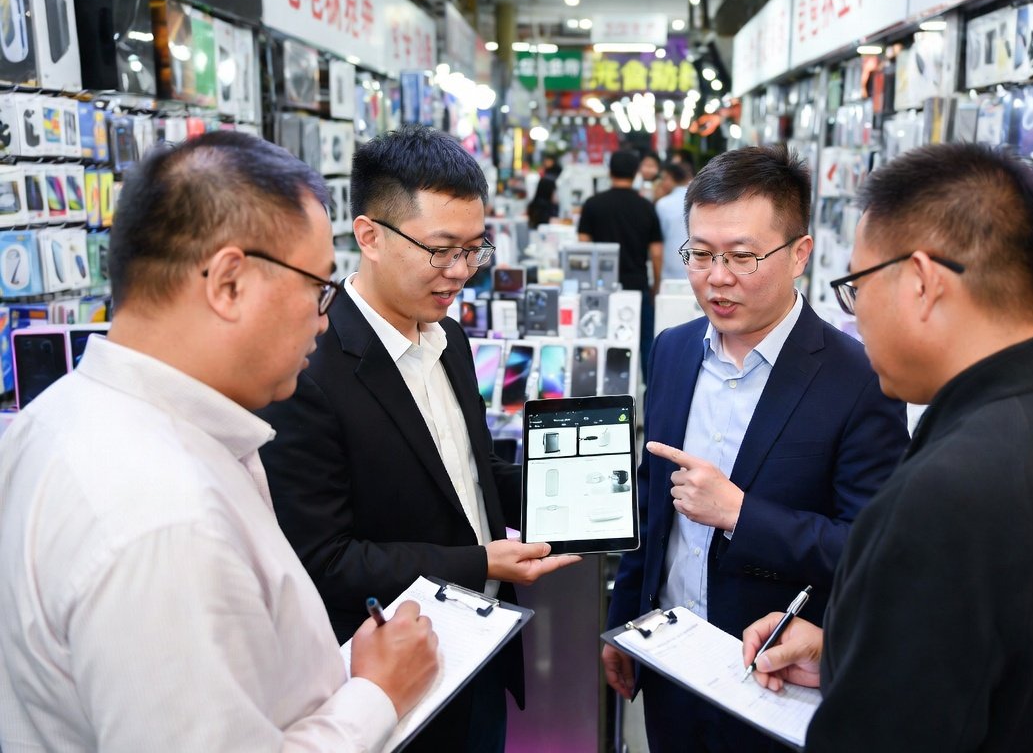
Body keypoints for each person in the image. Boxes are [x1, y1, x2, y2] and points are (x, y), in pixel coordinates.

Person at [0, 131, 439, 751]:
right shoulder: (163, 518)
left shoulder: (59, 417)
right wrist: (376, 695)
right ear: (229, 283)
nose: (323, 319)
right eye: (317, 288)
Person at [743, 143, 1033, 750]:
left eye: (857, 288)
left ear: (921, 282)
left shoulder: (939, 498)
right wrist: (848, 653)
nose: (855, 317)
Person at [257, 126, 579, 753]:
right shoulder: (311, 369)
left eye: (473, 250)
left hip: (481, 650)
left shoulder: (449, 339)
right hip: (384, 678)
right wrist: (480, 562)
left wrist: (586, 481)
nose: (459, 272)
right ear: (369, 236)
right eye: (440, 250)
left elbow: (467, 475)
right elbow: (324, 560)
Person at [602, 144, 908, 752]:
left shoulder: (860, 377)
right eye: (701, 254)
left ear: (799, 255)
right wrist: (622, 622)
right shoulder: (673, 349)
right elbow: (651, 504)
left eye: (743, 256)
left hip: (777, 679)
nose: (718, 277)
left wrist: (741, 513)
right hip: (668, 660)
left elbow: (872, 552)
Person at [578, 149, 664, 377]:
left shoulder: (593, 204)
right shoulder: (646, 206)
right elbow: (656, 252)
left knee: (601, 341)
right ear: (636, 172)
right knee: (645, 342)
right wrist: (656, 284)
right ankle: (649, 392)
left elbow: (583, 248)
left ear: (609, 172)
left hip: (601, 289)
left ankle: (604, 393)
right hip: (637, 284)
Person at [656, 162, 693, 282]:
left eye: (664, 178)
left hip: (669, 269)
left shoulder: (663, 204)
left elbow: (658, 239)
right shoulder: (697, 200)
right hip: (695, 265)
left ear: (670, 178)